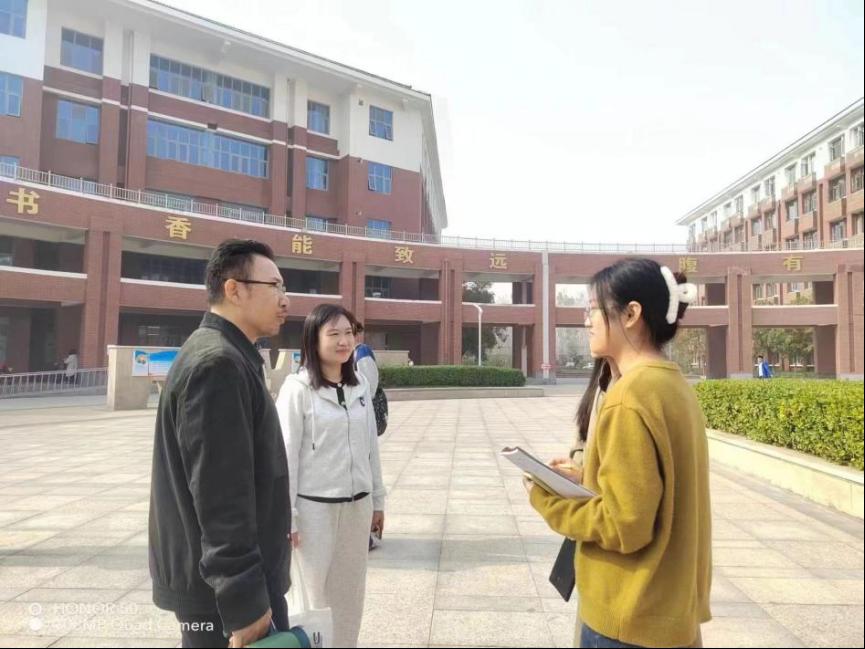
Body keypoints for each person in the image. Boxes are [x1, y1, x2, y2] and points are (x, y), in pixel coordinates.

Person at [525, 258, 711, 648]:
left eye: (593, 309)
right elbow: (652, 493)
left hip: (630, 616)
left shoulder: (629, 396)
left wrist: (547, 499)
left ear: (631, 314)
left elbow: (624, 524)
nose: (587, 321)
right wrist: (586, 477)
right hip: (669, 610)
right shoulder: (674, 385)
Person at [149, 239, 292, 648]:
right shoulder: (217, 364)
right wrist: (243, 600)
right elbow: (221, 496)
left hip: (225, 587)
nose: (285, 300)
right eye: (275, 286)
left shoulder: (229, 355)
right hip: (223, 599)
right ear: (233, 289)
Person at [276, 304, 386, 648]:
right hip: (314, 511)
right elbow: (286, 456)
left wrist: (378, 499)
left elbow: (371, 447)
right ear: (314, 339)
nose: (344, 341)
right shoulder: (297, 389)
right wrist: (288, 516)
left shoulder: (360, 386)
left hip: (357, 507)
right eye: (334, 334)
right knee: (313, 597)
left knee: (350, 594)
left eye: (348, 333)